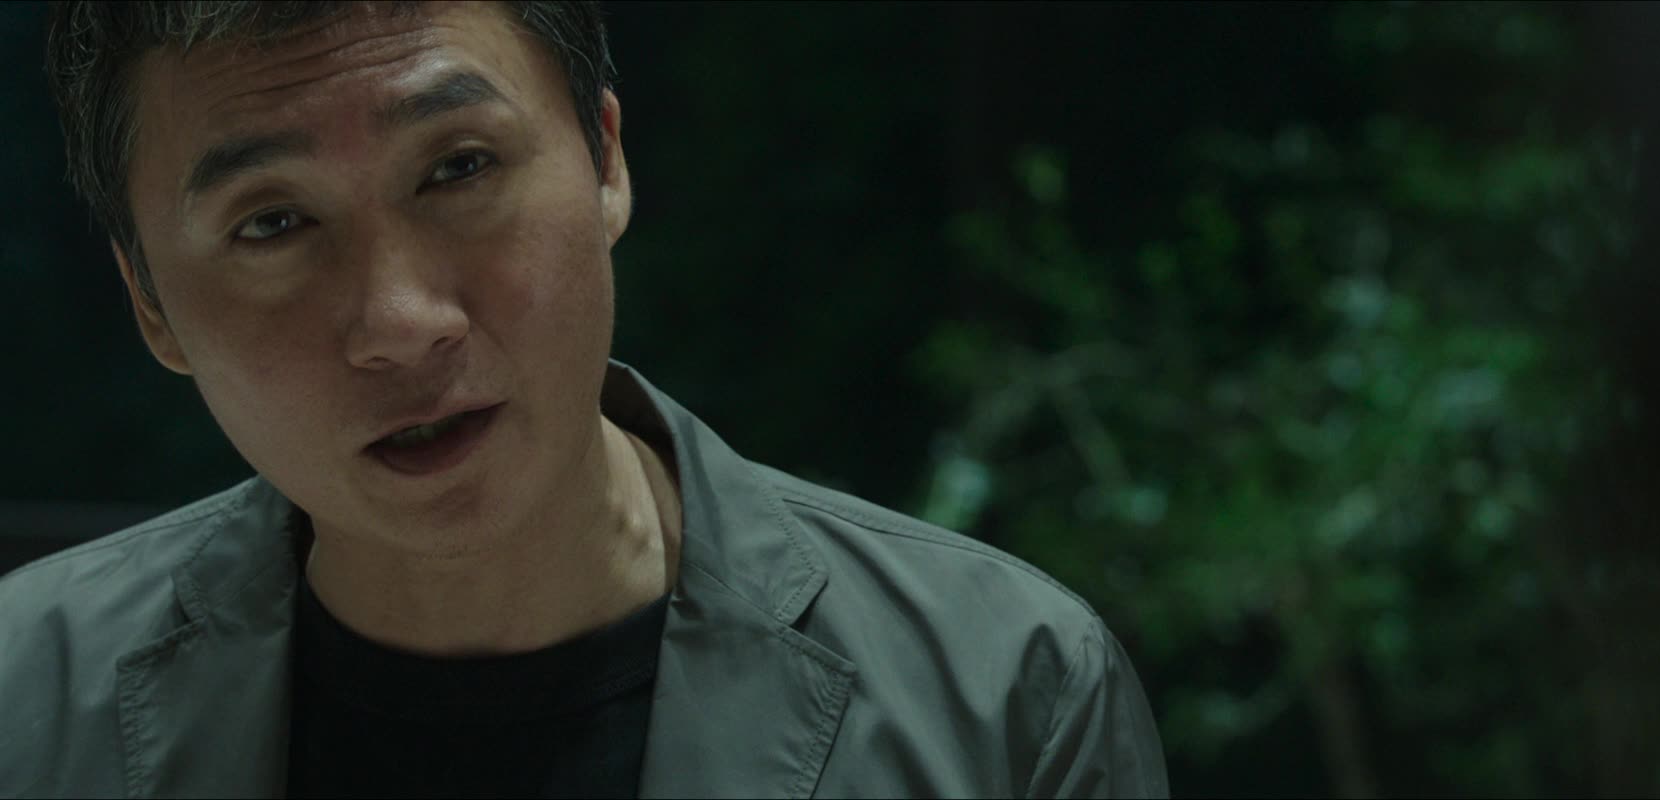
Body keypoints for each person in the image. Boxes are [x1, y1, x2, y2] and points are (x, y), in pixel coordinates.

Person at [0, 2, 1169, 796]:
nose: (403, 319)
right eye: (272, 223)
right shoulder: (21, 706)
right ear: (151, 301)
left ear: (605, 159)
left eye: (459, 166)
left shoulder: (1005, 696)